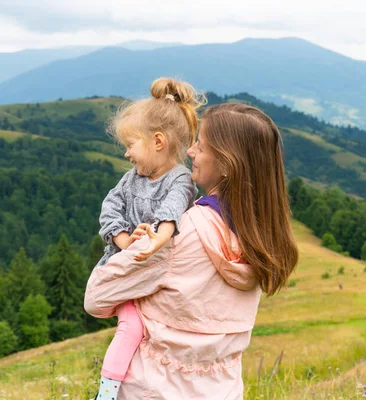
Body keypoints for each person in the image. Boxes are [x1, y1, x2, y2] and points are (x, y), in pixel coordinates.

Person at [85, 103, 299, 399]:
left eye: (202, 144)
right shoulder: (260, 236)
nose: (190, 151)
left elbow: (96, 298)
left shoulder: (183, 232)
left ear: (227, 163)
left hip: (153, 389)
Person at [92, 77, 204, 399]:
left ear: (158, 141)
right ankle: (108, 391)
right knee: (131, 328)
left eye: (131, 144)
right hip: (129, 270)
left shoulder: (180, 180)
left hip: (158, 275)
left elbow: (172, 209)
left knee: (142, 333)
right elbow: (109, 208)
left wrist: (156, 239)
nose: (127, 154)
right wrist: (126, 240)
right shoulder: (131, 179)